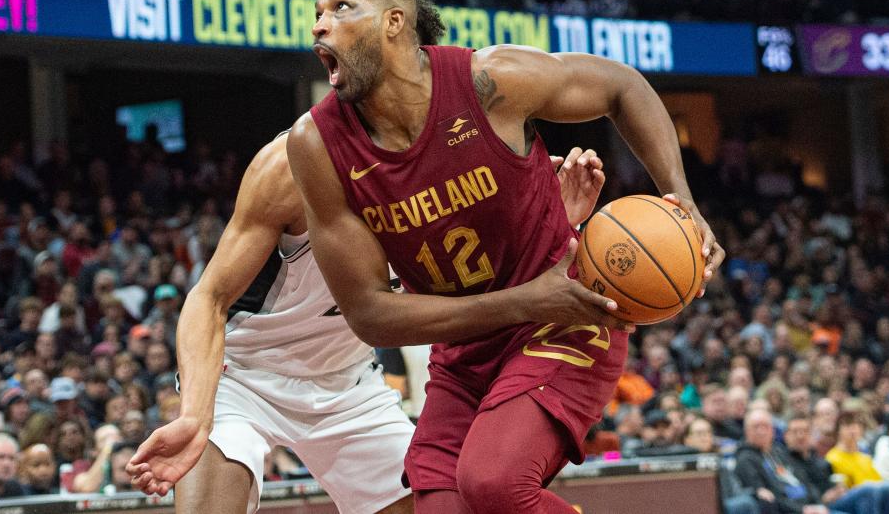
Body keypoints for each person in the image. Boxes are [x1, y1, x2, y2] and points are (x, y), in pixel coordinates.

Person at [285, 0, 723, 513]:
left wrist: (681, 200)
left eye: (341, 7)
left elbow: (622, 86)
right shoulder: (316, 145)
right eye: (317, 14)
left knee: (493, 483)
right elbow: (370, 316)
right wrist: (521, 299)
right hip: (470, 345)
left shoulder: (490, 80)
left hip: (567, 315)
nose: (320, 26)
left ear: (395, 21)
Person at [127, 55, 611, 512]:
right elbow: (207, 298)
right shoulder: (292, 165)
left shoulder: (459, 169)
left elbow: (493, 273)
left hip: (349, 383)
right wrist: (193, 412)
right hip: (244, 376)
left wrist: (554, 226)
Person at [784, 415, 889, 514]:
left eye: (805, 431)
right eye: (848, 427)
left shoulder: (818, 460)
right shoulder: (787, 462)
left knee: (888, 489)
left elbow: (877, 482)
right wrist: (825, 497)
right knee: (868, 492)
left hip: (848, 495)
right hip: (828, 502)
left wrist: (836, 490)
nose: (801, 436)